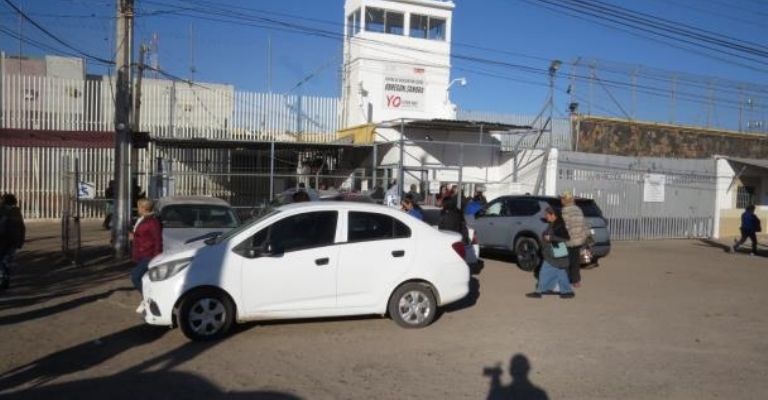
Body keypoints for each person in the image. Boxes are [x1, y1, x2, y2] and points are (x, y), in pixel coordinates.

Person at [526, 207, 574, 299]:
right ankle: (567, 291)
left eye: (547, 214)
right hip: (554, 253)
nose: (545, 216)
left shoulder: (559, 225)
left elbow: (566, 239)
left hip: (555, 253)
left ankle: (539, 291)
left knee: (544, 272)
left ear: (553, 215)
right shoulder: (554, 224)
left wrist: (551, 238)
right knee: (560, 272)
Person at [130, 198, 163, 293]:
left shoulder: (153, 222)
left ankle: (147, 297)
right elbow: (143, 234)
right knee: (144, 278)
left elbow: (158, 239)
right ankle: (147, 297)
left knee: (135, 276)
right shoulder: (143, 219)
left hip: (149, 254)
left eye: (139, 207)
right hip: (141, 252)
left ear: (144, 208)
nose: (137, 209)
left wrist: (156, 256)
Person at [561, 191, 588, 287]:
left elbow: (564, 226)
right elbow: (584, 225)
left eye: (562, 199)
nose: (561, 200)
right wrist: (583, 237)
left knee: (564, 261)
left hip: (568, 241)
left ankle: (565, 281)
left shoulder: (565, 211)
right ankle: (576, 281)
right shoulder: (578, 209)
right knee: (575, 262)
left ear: (565, 200)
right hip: (578, 240)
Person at [0, 193, 26, 270]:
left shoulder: (2, 211)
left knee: (2, 260)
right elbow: (22, 228)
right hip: (13, 240)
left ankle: (3, 276)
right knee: (7, 261)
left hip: (3, 239)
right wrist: (20, 241)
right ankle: (4, 277)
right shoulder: (16, 212)